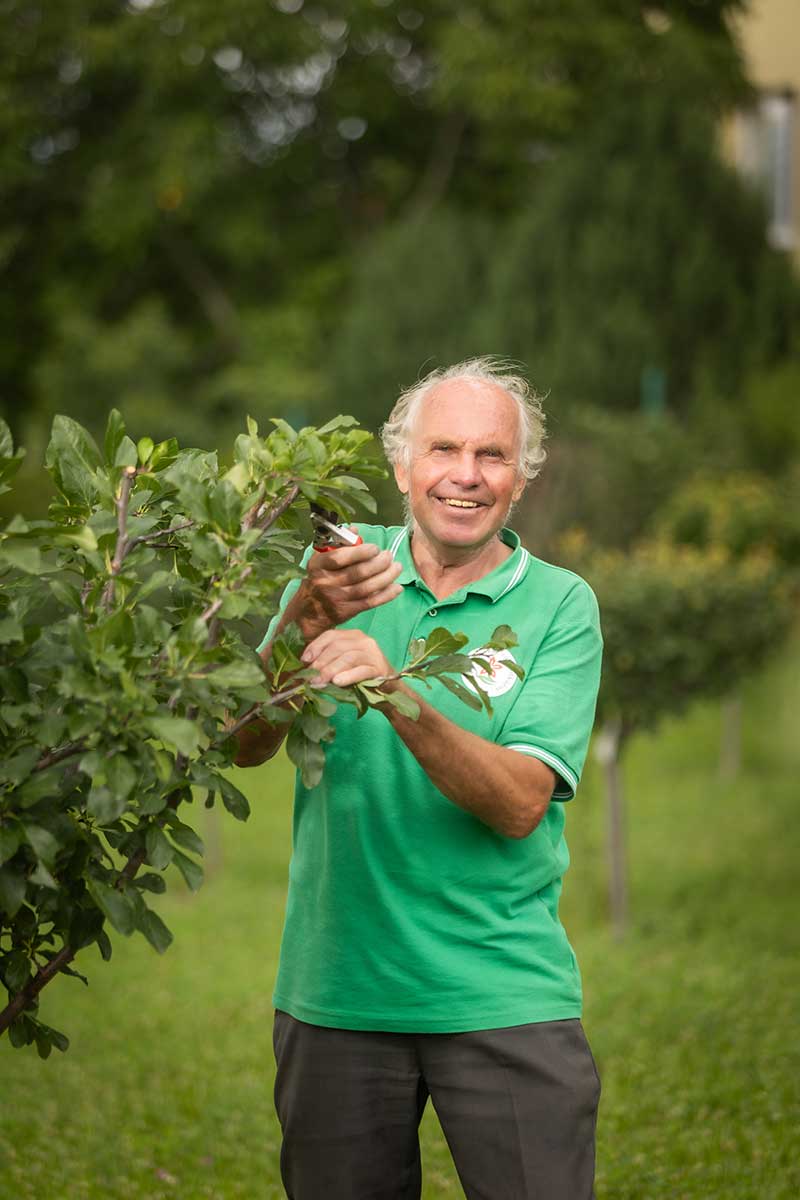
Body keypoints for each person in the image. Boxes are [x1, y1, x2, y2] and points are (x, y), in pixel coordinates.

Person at [235, 358, 603, 1200]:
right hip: (338, 994)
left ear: (522, 477)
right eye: (443, 450)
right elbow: (243, 745)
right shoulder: (338, 574)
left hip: (504, 996)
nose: (465, 476)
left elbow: (518, 804)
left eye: (493, 455)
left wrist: (392, 689)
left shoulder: (560, 605)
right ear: (401, 467)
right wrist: (303, 618)